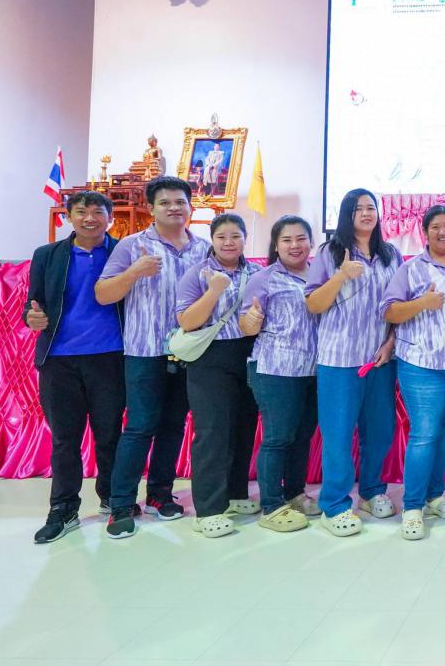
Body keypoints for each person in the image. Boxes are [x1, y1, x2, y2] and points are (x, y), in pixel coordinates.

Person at [97, 176, 211, 539]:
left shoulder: (204, 248)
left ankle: (161, 494)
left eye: (180, 202)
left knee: (173, 426)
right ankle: (120, 504)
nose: (174, 208)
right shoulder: (132, 245)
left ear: (190, 206)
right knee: (140, 426)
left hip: (188, 351)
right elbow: (103, 293)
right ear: (151, 208)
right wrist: (134, 272)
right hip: (144, 350)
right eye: (165, 202)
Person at [25, 191, 126, 544]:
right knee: (65, 439)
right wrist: (31, 318)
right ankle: (63, 508)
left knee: (110, 435)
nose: (89, 218)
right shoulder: (47, 255)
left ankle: (114, 500)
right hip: (59, 360)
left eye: (98, 212)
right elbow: (33, 303)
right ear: (68, 216)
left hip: (110, 358)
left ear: (110, 218)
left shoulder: (122, 253)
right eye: (81, 211)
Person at [382, 205, 445, 540]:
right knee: (424, 434)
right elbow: (389, 312)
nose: (443, 232)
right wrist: (421, 304)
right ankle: (412, 507)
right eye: (436, 227)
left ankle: (434, 496)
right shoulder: (411, 269)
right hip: (421, 365)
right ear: (425, 233)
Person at [305, 188, 402, 537]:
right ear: (346, 214)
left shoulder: (391, 255)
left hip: (380, 359)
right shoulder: (330, 252)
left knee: (380, 431)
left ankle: (372, 491)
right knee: (338, 434)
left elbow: (399, 304)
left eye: (371, 207)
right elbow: (314, 304)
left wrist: (391, 342)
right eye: (358, 208)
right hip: (339, 359)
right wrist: (341, 275)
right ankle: (334, 504)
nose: (366, 213)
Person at [175, 213, 262, 538]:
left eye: (235, 236)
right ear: (211, 240)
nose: (229, 242)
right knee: (212, 431)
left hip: (249, 355)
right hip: (209, 358)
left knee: (243, 427)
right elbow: (187, 322)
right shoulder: (197, 273)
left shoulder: (257, 272)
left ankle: (236, 494)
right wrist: (213, 291)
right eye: (222, 236)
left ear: (244, 239)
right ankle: (208, 510)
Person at [240, 215, 321, 533]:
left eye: (301, 238)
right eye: (286, 240)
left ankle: (295, 493)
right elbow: (246, 325)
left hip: (314, 369)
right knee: (278, 437)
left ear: (311, 242)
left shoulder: (320, 275)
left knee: (302, 436)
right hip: (275, 369)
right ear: (276, 245)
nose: (294, 245)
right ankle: (272, 504)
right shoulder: (264, 278)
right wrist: (252, 319)